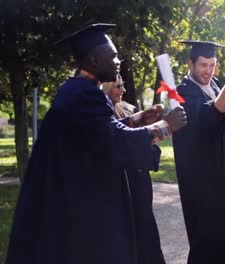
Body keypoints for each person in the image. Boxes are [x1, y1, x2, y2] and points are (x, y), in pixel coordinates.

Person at [6, 23, 187, 264]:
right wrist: (166, 127)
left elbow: (98, 132)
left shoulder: (77, 91)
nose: (118, 61)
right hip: (76, 210)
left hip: (73, 199)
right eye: (112, 56)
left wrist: (138, 119)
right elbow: (114, 141)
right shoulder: (84, 95)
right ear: (93, 59)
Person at [172, 40, 225, 264]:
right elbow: (209, 116)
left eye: (212, 65)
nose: (208, 70)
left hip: (224, 179)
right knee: (207, 243)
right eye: (203, 65)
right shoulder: (183, 93)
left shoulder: (214, 86)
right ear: (190, 64)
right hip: (203, 186)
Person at [102, 74, 167, 264]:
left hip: (139, 188)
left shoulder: (129, 111)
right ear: (106, 87)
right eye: (117, 86)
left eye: (123, 85)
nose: (123, 90)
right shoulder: (103, 118)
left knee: (146, 242)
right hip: (118, 191)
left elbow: (149, 149)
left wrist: (152, 135)